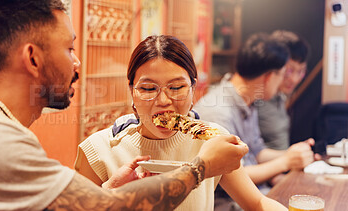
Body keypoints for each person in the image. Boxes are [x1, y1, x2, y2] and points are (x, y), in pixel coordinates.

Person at [0, 1, 249, 210]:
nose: (77, 63)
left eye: (177, 87)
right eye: (69, 48)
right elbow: (111, 208)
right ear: (33, 58)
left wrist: (106, 190)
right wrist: (202, 168)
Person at [74, 35, 287, 211]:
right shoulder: (99, 151)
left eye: (176, 88)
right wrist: (109, 193)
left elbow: (257, 203)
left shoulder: (213, 141)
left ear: (193, 90)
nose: (163, 101)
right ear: (132, 92)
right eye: (148, 89)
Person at [194, 33, 316, 210]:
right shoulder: (218, 111)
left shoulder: (249, 100)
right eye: (282, 75)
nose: (283, 81)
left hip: (255, 193)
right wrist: (286, 162)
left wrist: (293, 153)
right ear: (268, 77)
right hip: (227, 203)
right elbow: (230, 174)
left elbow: (257, 151)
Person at [256, 30, 310, 150]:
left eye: (301, 71)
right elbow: (254, 153)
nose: (294, 79)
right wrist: (290, 158)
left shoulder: (280, 96)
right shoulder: (255, 99)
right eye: (289, 71)